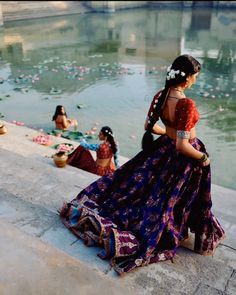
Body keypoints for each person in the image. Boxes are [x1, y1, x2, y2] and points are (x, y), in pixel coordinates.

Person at [59, 55, 225, 275]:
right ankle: (175, 229)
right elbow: (183, 146)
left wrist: (170, 132)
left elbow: (150, 126)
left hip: (162, 148)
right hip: (180, 157)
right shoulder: (185, 103)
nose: (195, 80)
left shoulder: (162, 95)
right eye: (195, 76)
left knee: (154, 192)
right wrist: (203, 158)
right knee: (172, 197)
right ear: (186, 78)